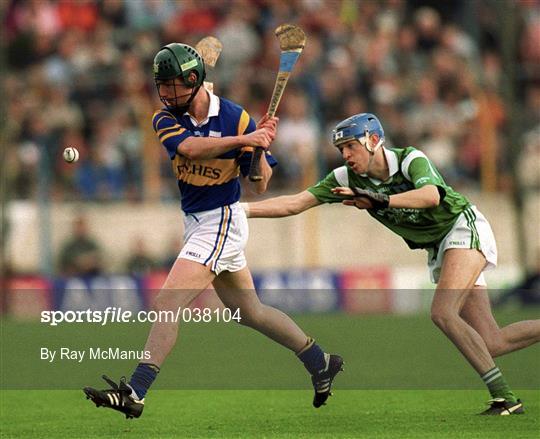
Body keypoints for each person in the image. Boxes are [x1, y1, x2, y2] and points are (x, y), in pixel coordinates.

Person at [83, 43, 343, 419]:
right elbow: (190, 149)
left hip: (221, 219)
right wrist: (246, 141)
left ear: (194, 79)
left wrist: (258, 150)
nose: (167, 94)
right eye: (163, 86)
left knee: (167, 303)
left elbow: (260, 184)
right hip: (198, 223)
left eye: (174, 85)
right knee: (249, 312)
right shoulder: (165, 119)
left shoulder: (237, 119)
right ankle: (320, 360)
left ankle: (135, 392)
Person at [243, 113, 540, 416]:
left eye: (350, 146)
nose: (345, 155)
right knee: (491, 341)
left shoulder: (410, 159)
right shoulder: (345, 178)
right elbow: (295, 203)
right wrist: (242, 210)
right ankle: (505, 398)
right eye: (340, 149)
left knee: (442, 312)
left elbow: (431, 196)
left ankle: (504, 398)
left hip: (462, 228)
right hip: (439, 247)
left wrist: (377, 200)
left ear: (373, 140)